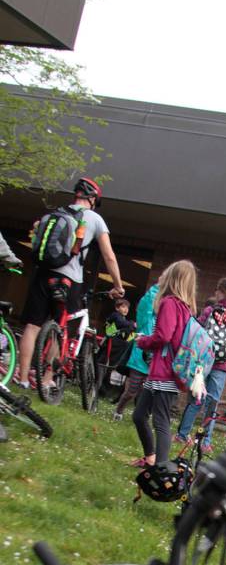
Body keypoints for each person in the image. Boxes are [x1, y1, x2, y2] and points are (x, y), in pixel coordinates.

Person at [17, 177, 124, 389]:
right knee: (60, 327)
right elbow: (109, 256)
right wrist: (118, 285)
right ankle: (47, 380)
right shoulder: (94, 218)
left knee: (32, 326)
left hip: (43, 273)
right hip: (69, 279)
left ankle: (21, 379)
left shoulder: (55, 213)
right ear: (92, 198)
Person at [132, 260, 196, 469]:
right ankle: (151, 458)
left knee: (161, 421)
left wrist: (142, 341)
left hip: (165, 372)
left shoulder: (170, 303)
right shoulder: (186, 308)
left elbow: (163, 336)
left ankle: (162, 470)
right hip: (163, 372)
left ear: (172, 278)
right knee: (140, 415)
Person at [175, 276, 226, 453]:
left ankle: (182, 435)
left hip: (203, 361)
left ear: (224, 292)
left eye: (217, 289)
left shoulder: (209, 310)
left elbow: (196, 331)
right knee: (212, 403)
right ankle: (205, 442)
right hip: (222, 365)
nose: (215, 292)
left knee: (195, 399)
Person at [113, 284, 158, 421]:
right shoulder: (146, 320)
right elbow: (146, 306)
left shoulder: (164, 322)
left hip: (155, 363)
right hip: (140, 360)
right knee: (131, 391)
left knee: (150, 393)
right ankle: (119, 410)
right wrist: (158, 287)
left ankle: (142, 417)